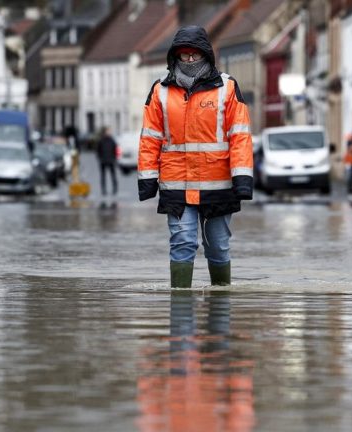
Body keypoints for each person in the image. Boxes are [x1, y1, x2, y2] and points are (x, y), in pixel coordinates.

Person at [138, 25, 254, 288]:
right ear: (175, 57)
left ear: (206, 55)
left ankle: (219, 314)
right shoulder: (160, 91)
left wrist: (243, 178)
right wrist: (147, 179)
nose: (190, 60)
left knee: (218, 247)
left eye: (195, 55)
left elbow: (240, 137)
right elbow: (149, 139)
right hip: (177, 185)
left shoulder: (227, 88)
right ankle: (181, 319)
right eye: (184, 55)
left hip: (218, 185)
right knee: (182, 242)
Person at [96, 126, 118, 196]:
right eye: (108, 131)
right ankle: (103, 190)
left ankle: (115, 189)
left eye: (109, 131)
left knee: (113, 175)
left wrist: (114, 158)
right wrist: (100, 158)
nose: (109, 133)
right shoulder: (101, 140)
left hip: (111, 160)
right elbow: (98, 150)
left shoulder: (112, 140)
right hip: (103, 161)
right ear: (105, 132)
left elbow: (115, 149)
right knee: (103, 176)